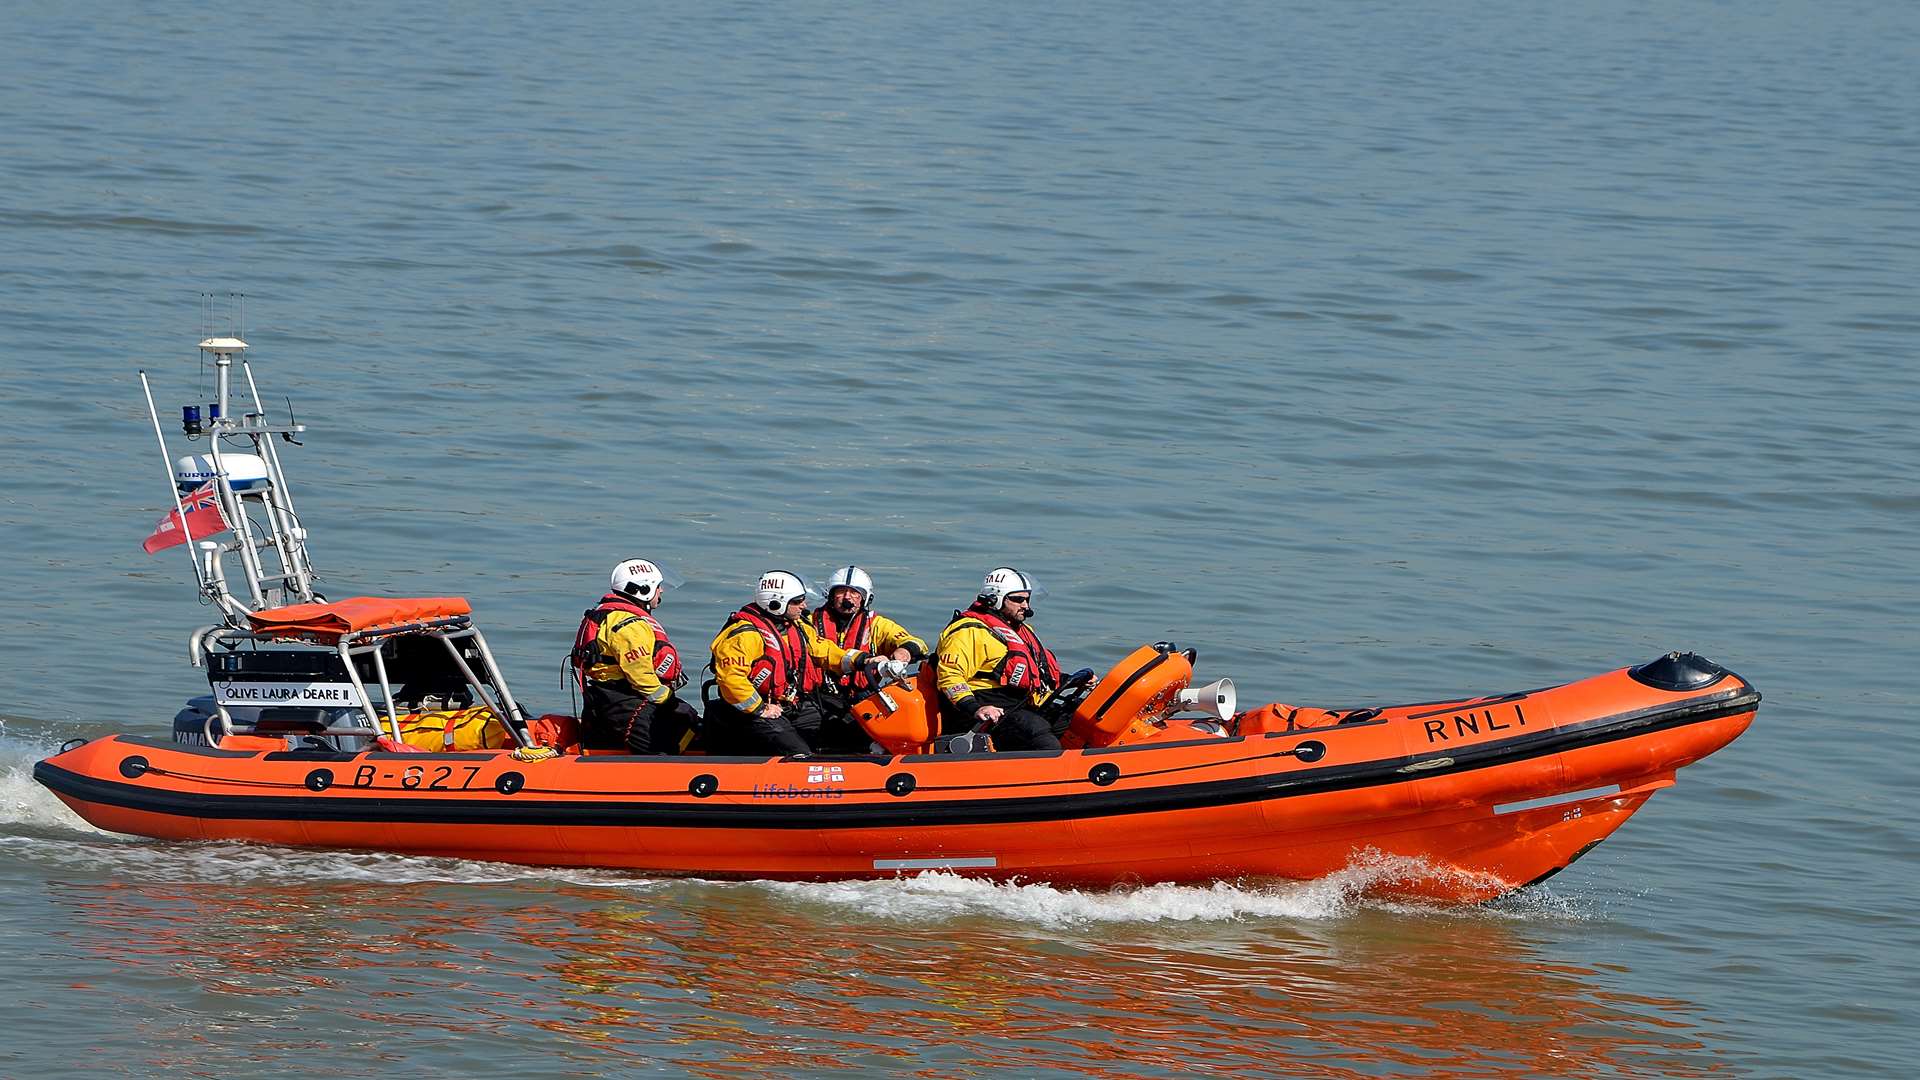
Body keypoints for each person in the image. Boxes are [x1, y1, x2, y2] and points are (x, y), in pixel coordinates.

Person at [708, 570, 912, 756]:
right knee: (799, 753)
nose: (804, 606)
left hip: (790, 704)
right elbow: (731, 679)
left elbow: (824, 651)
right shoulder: (744, 636)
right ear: (776, 603)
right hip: (752, 710)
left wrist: (863, 660)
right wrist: (761, 709)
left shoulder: (797, 627)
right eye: (797, 602)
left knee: (850, 730)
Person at [935, 567, 1088, 752]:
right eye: (1018, 599)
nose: (1025, 605)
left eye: (1027, 599)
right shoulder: (969, 632)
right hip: (983, 708)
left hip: (1018, 703)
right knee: (1036, 731)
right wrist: (975, 708)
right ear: (995, 599)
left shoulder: (1022, 631)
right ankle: (1055, 772)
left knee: (1079, 715)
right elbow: (949, 676)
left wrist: (1073, 680)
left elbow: (1035, 673)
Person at [570, 558, 702, 754]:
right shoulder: (630, 626)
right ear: (643, 590)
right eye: (658, 586)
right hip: (625, 705)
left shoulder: (609, 614)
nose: (662, 591)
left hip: (603, 700)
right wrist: (671, 703)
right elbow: (643, 680)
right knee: (674, 738)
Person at [810, 565, 927, 706]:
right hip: (817, 696)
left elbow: (916, 642)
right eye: (841, 591)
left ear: (866, 598)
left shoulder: (877, 625)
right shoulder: (810, 623)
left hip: (861, 697)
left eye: (854, 592)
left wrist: (904, 652)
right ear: (830, 595)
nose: (847, 597)